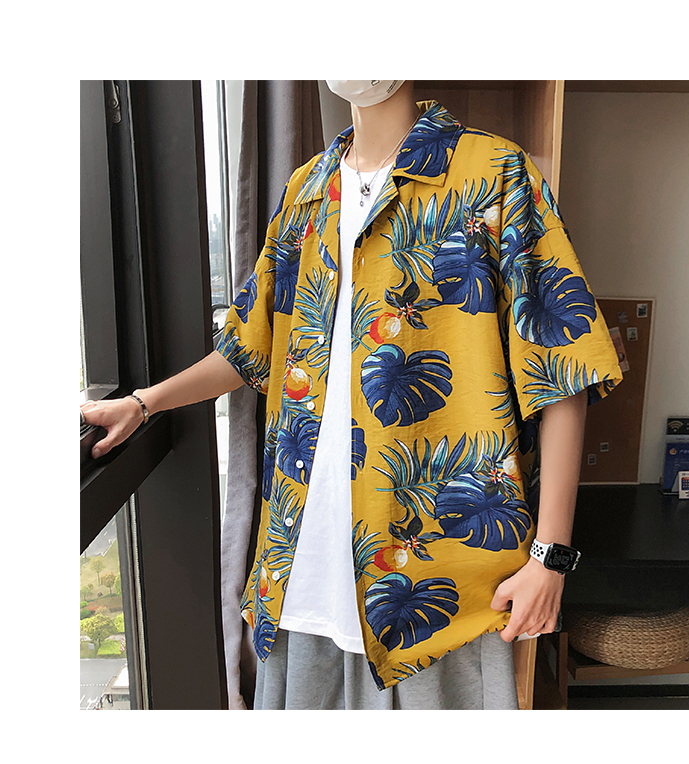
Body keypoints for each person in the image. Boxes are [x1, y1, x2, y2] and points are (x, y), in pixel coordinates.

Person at [80, 80, 623, 710]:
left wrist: (551, 557)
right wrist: (143, 403)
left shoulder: (494, 172)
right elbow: (250, 345)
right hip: (301, 574)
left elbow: (562, 365)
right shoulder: (308, 190)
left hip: (439, 586)